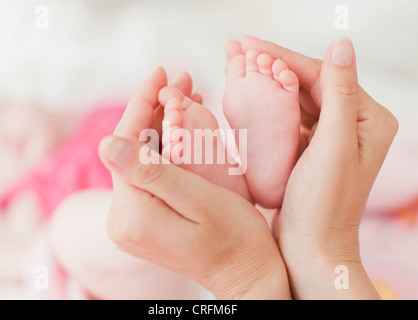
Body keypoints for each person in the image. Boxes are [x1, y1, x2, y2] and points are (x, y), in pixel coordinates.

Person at [95, 36, 398, 299]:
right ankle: (241, 187)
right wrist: (315, 252)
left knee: (75, 229)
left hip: (179, 264)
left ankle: (219, 193)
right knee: (88, 236)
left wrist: (245, 279)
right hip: (193, 261)